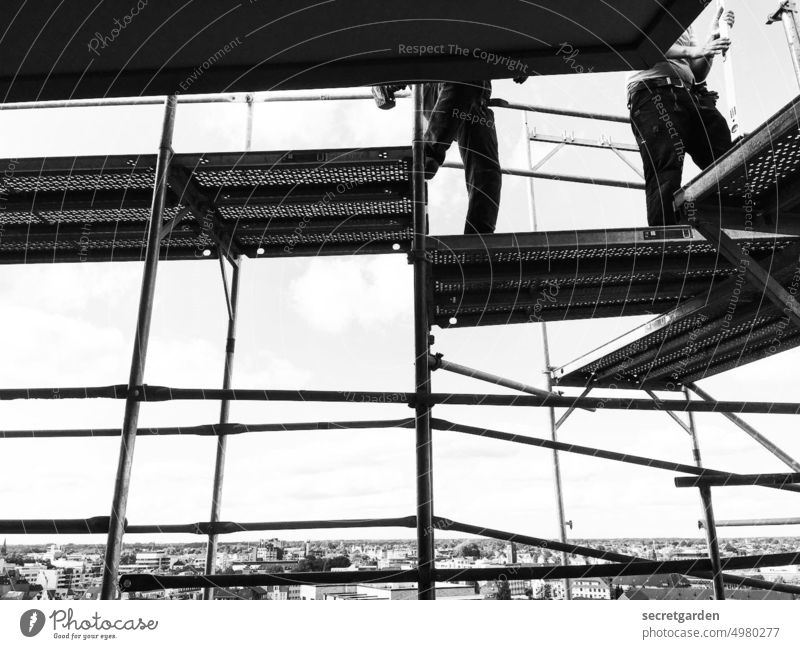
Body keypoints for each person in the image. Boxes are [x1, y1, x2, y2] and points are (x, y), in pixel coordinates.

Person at [627, 7, 736, 226]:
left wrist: (712, 40)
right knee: (666, 171)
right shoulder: (646, 8)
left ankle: (740, 223)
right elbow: (644, 47)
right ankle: (665, 243)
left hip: (687, 93)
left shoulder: (683, 18)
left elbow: (696, 73)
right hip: (653, 93)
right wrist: (695, 50)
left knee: (723, 155)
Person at [373, 81, 501, 235]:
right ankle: (429, 153)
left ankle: (479, 236)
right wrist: (386, 84)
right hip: (440, 84)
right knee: (464, 78)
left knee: (487, 171)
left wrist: (519, 60)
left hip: (476, 98)